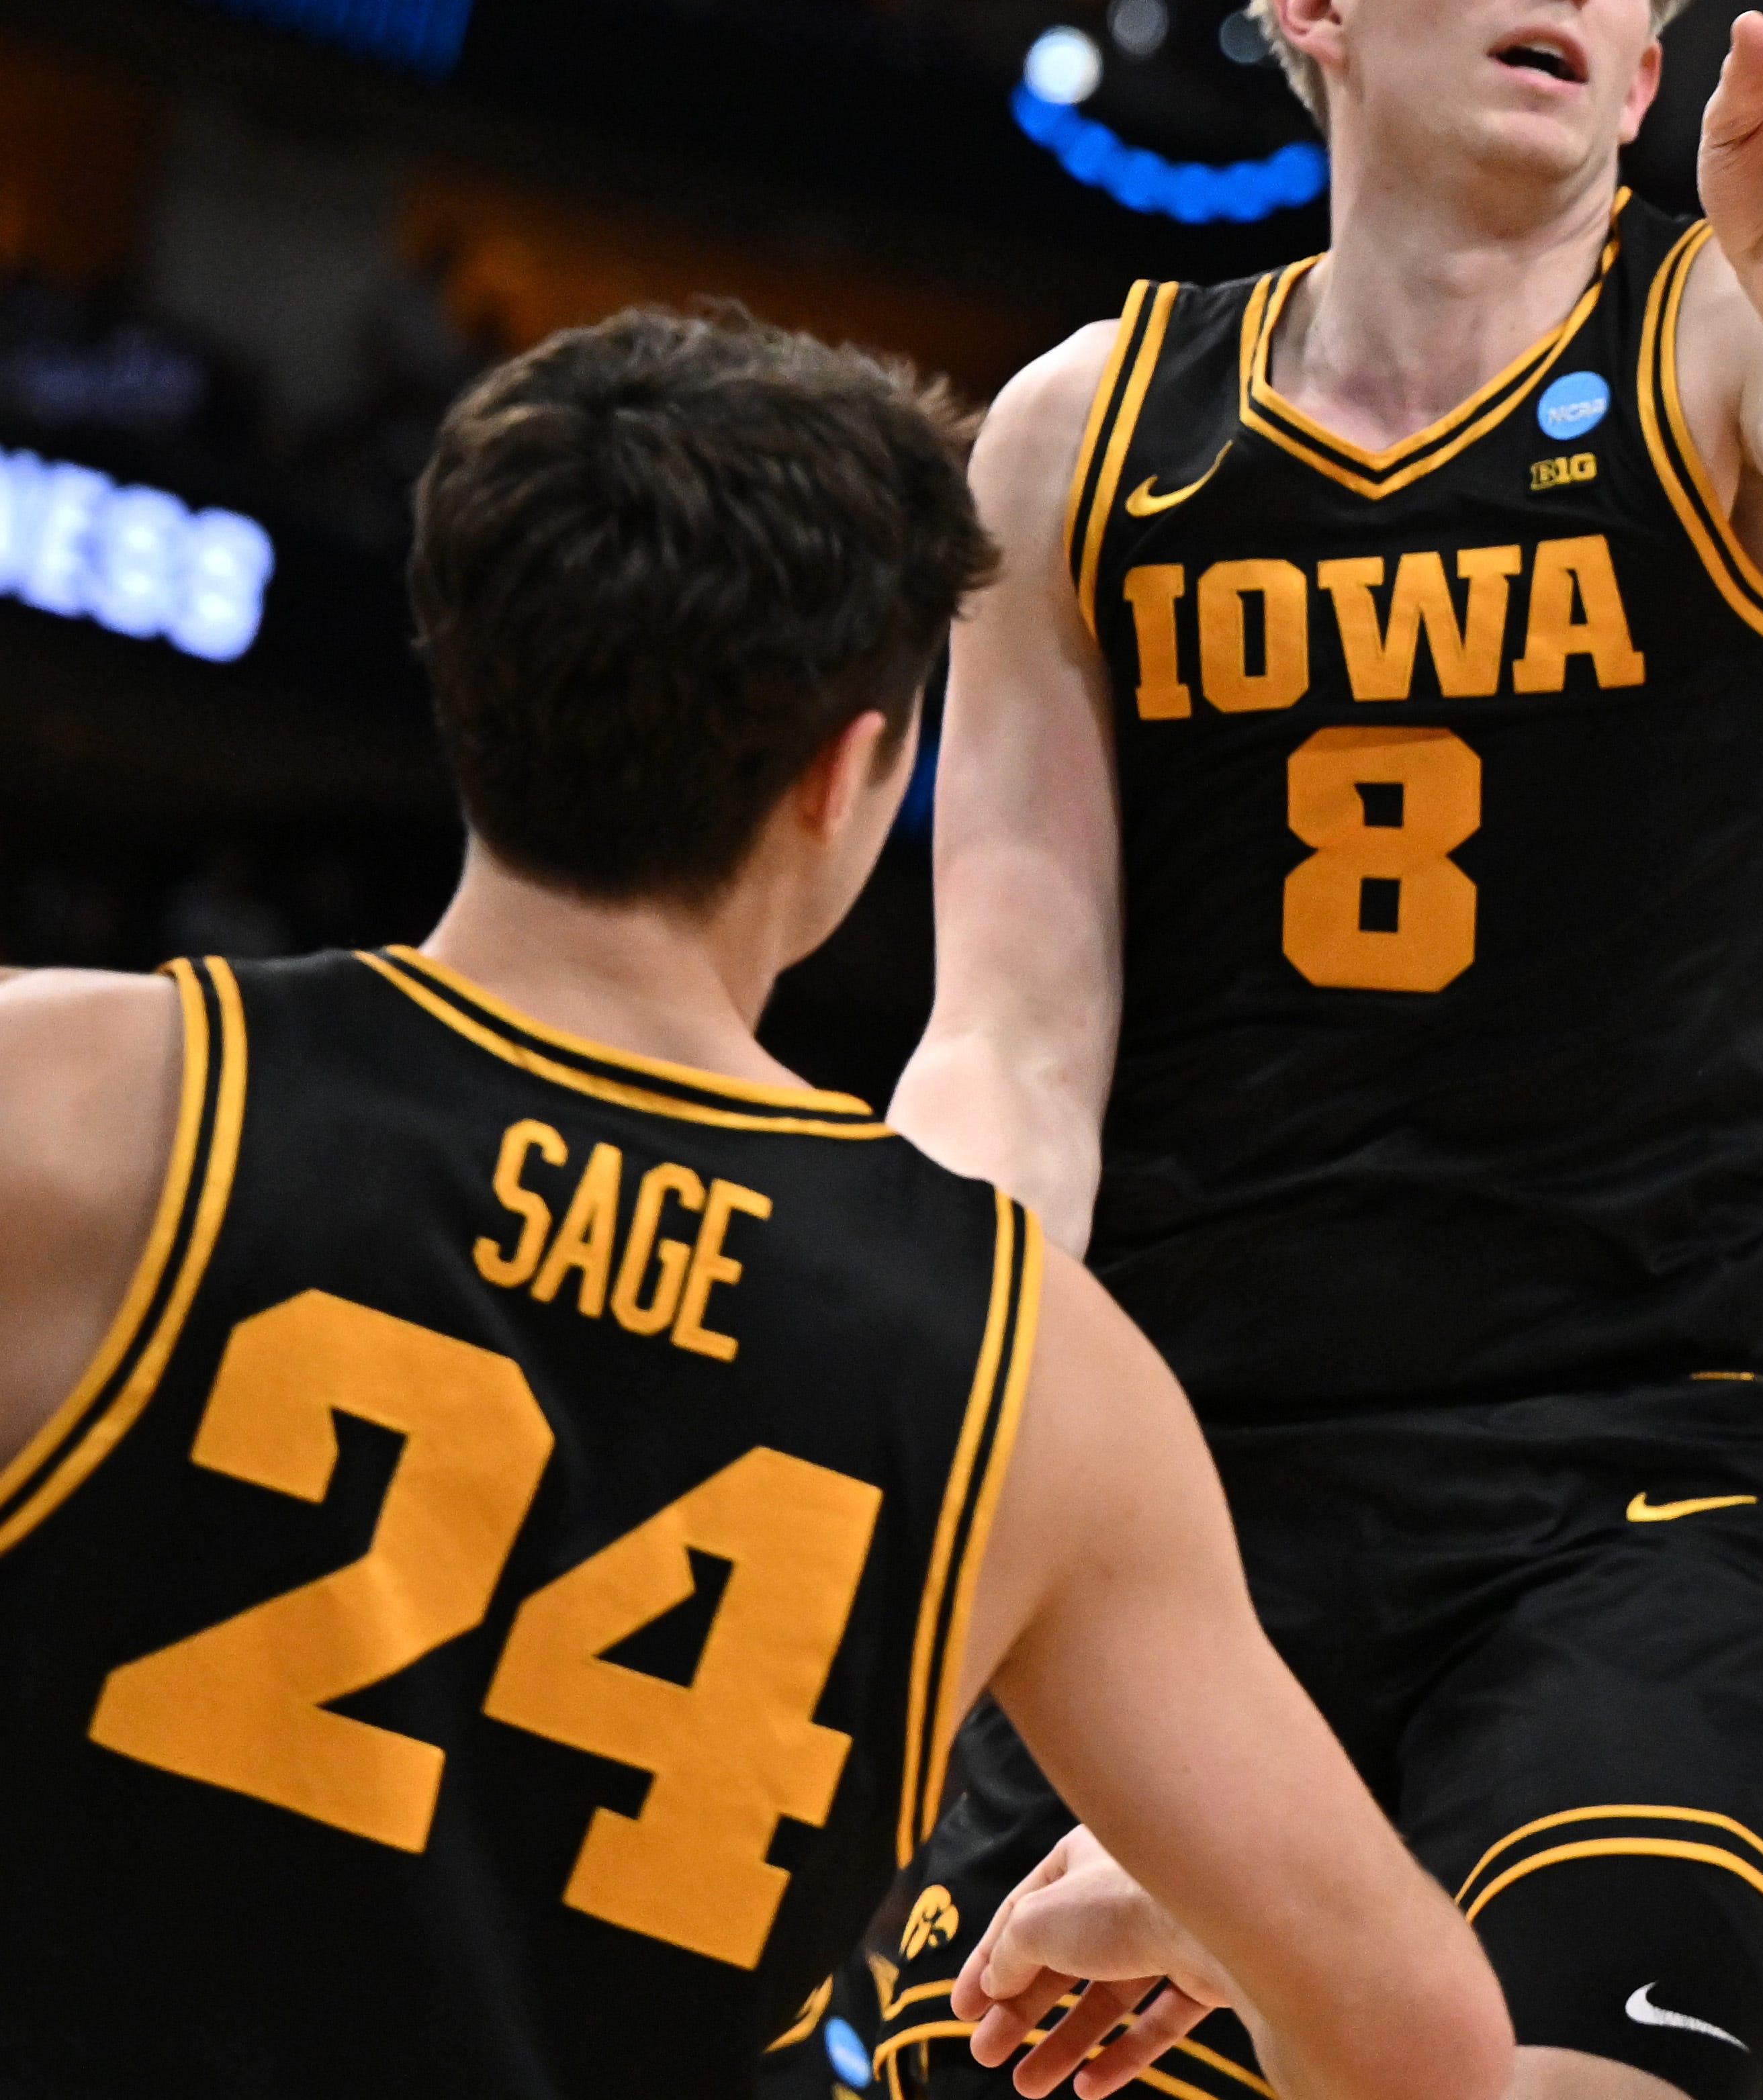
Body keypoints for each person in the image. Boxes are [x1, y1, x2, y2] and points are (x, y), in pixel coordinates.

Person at [0, 308, 1509, 2100]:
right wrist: (1182, 1918)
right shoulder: (1036, 1382)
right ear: (841, 773)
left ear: (462, 664)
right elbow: (1426, 2048)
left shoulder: (85, 1100)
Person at [843, 0, 1763, 2099]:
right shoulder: (1081, 429)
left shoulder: (1723, 345)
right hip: (1171, 1462)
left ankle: (1315, 1930)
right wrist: (924, 1395)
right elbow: (1016, 1033)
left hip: (1633, 1466)